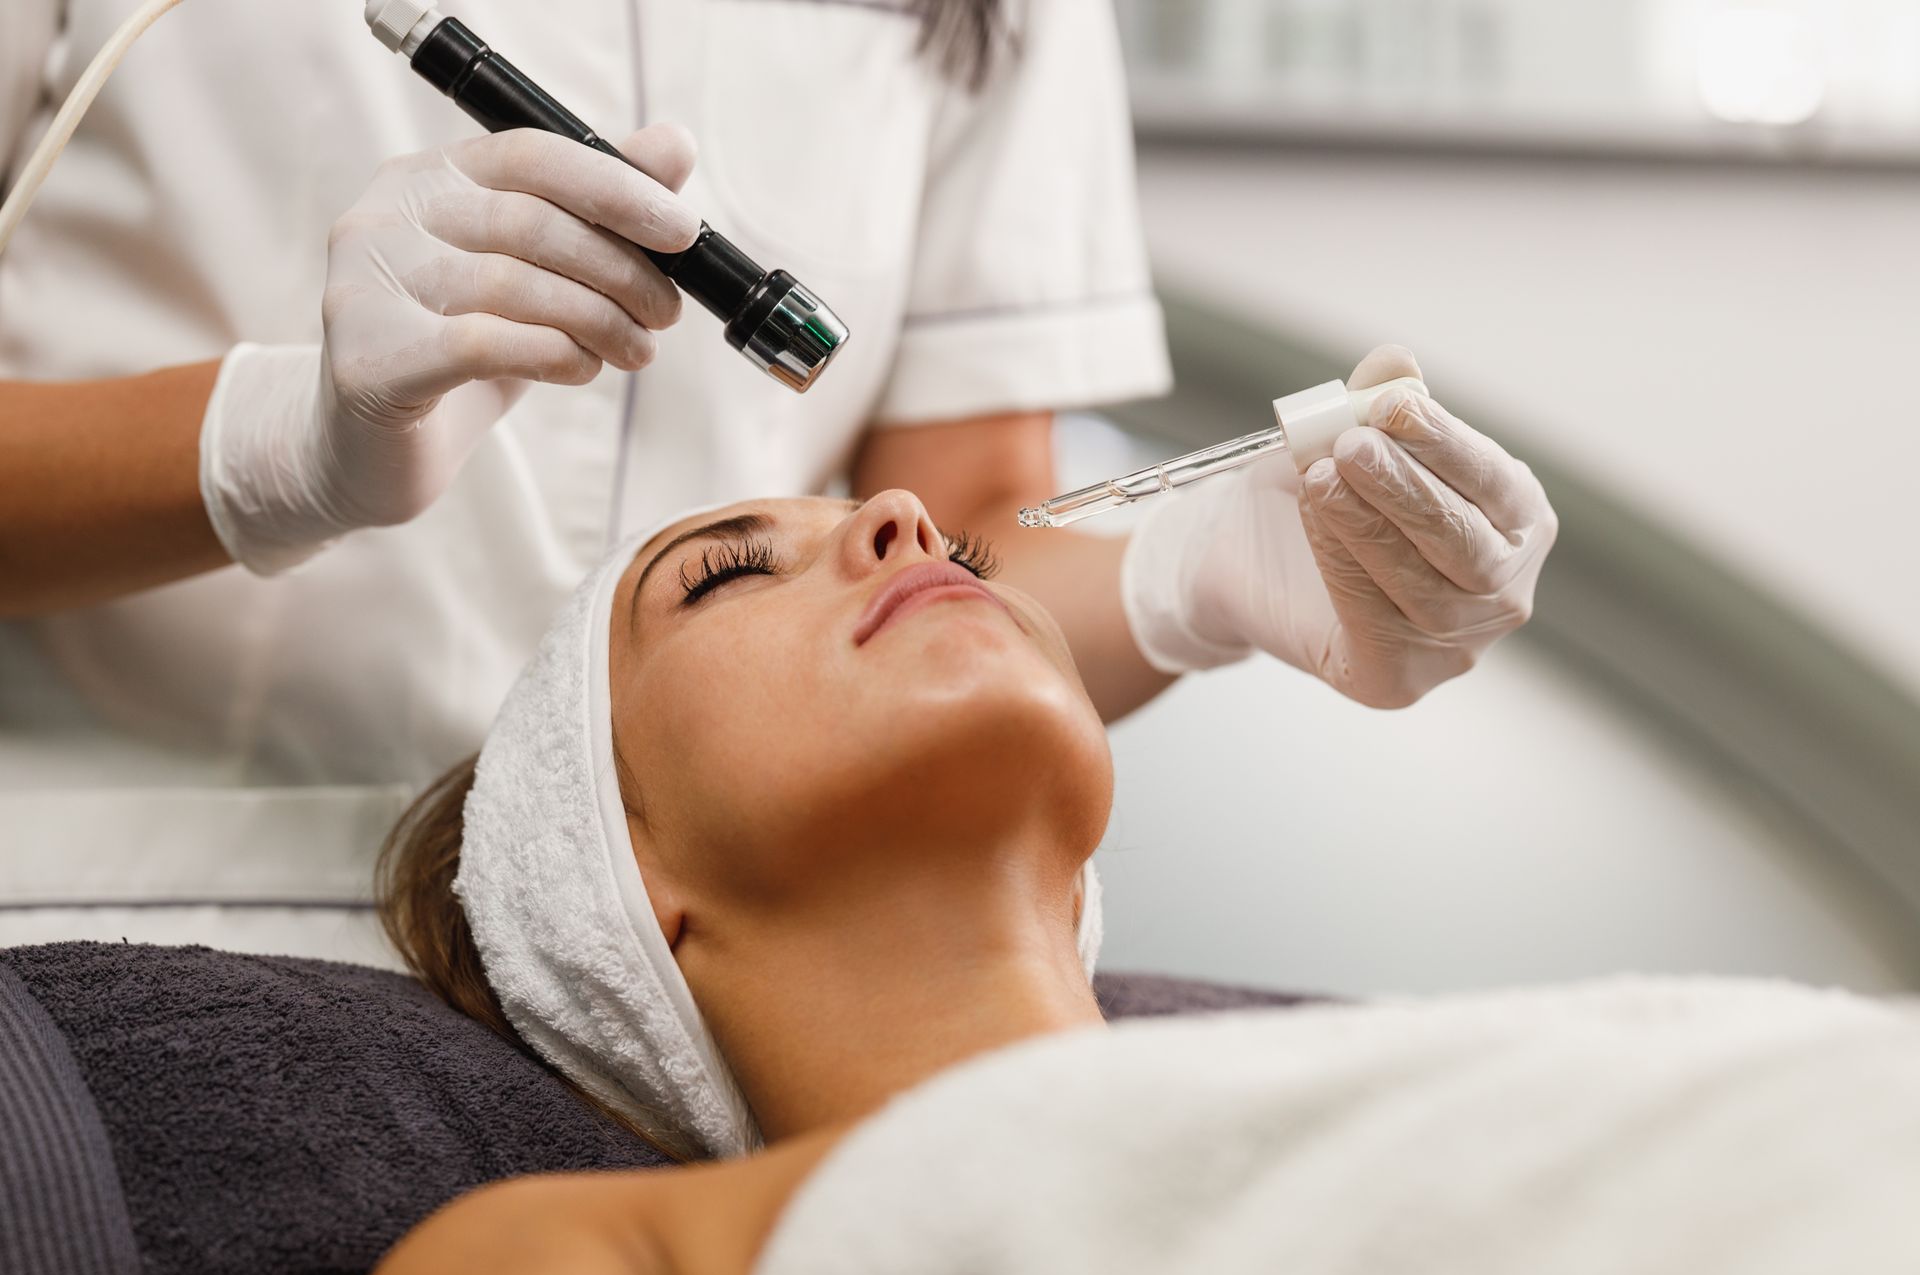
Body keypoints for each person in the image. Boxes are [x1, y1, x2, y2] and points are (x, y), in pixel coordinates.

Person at [0, 0, 1551, 963]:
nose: (884, 540)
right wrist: (282, 446)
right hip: (124, 911)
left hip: (701, 978)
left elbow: (964, 530)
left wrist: (1196, 575)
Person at [368, 490, 1917, 1275]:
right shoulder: (586, 1247)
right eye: (726, 573)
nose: (909, 524)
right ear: (624, 883)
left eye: (967, 555)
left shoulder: (1479, 1071)